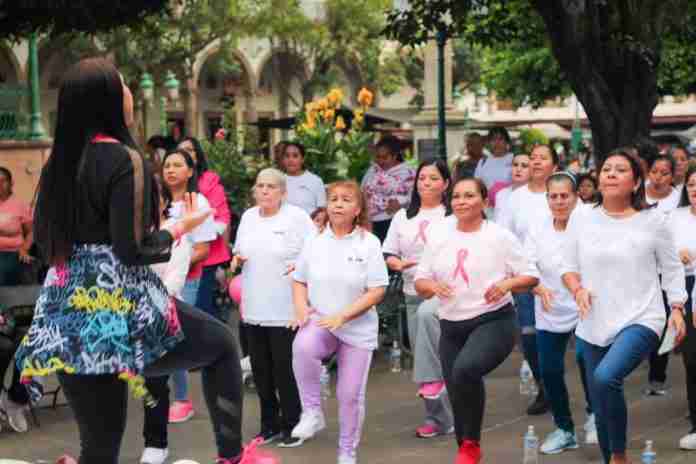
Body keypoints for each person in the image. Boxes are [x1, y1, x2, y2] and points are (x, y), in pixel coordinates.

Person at [14, 57, 249, 464]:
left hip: (67, 312)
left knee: (99, 448)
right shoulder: (126, 158)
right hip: (123, 308)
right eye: (122, 84)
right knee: (223, 346)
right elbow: (132, 250)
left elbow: (44, 245)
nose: (128, 91)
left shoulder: (58, 162)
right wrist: (181, 227)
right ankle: (233, 458)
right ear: (107, 98)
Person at [560, 148, 687, 464]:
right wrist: (577, 289)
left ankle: (618, 457)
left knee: (605, 378)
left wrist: (677, 308)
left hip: (642, 317)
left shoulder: (653, 220)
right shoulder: (582, 216)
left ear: (635, 182)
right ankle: (612, 458)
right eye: (606, 169)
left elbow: (671, 268)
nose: (611, 174)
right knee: (602, 399)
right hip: (594, 321)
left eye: (620, 170)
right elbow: (567, 266)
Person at [415, 176, 538, 464]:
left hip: (494, 321)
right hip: (451, 324)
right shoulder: (439, 235)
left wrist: (507, 285)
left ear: (484, 202)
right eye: (456, 196)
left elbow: (530, 275)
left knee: (465, 370)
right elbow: (421, 279)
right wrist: (433, 287)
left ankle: (470, 445)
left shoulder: (499, 236)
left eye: (469, 196)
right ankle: (467, 447)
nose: (461, 201)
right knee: (457, 384)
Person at [290, 180, 388, 464]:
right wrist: (300, 309)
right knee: (302, 347)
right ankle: (312, 412)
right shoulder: (315, 241)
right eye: (333, 199)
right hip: (322, 321)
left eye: (346, 199)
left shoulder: (368, 243)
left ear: (357, 209)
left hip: (356, 329)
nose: (338, 204)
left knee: (349, 395)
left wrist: (344, 316)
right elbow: (299, 280)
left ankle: (347, 451)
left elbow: (377, 290)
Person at [233, 168, 316, 447]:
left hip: (286, 309)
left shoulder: (297, 218)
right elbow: (239, 252)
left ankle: (292, 424)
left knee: (286, 371)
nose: (265, 191)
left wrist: (301, 269)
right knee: (261, 372)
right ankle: (268, 425)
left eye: (271, 186)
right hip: (254, 307)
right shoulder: (248, 218)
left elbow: (315, 253)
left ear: (283, 192)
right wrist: (236, 261)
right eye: (260, 186)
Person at [525, 172, 596, 454]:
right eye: (553, 196)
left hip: (585, 303)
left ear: (576, 197)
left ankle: (595, 415)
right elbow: (527, 265)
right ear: (547, 199)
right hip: (549, 306)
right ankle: (564, 429)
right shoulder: (537, 227)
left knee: (584, 358)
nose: (559, 201)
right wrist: (538, 287)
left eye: (564, 195)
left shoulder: (590, 221)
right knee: (549, 369)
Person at [382, 159, 454, 439]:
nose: (426, 183)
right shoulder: (403, 216)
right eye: (422, 178)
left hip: (445, 297)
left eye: (433, 178)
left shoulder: (452, 215)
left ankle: (458, 412)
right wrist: (396, 264)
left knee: (446, 356)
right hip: (412, 295)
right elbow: (389, 252)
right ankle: (437, 419)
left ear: (445, 183)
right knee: (425, 356)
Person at [501, 144, 560, 415]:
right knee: (529, 336)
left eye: (542, 158)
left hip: (560, 276)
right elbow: (504, 236)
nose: (536, 162)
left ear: (555, 165)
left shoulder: (562, 193)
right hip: (525, 277)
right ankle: (543, 388)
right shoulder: (515, 198)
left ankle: (558, 387)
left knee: (557, 335)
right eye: (532, 157)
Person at [160, 149, 218, 424]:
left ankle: (182, 399)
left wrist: (174, 262)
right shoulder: (156, 202)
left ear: (190, 171)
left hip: (187, 280)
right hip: (155, 280)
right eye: (167, 165)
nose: (170, 170)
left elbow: (204, 249)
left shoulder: (197, 202)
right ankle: (160, 393)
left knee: (175, 337)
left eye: (177, 165)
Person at [141, 197, 194, 464]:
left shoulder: (177, 234)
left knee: (155, 380)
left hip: (160, 315)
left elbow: (173, 281)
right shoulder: (124, 229)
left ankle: (155, 444)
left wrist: (144, 300)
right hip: (119, 313)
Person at [178, 137, 232, 322]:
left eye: (190, 150)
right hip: (175, 258)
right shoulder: (170, 181)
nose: (186, 153)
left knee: (200, 311)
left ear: (198, 155)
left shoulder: (210, 182)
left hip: (205, 256)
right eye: (181, 150)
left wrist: (198, 231)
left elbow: (222, 219)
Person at [670, 164, 696, 450]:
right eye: (691, 185)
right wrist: (678, 254)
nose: (695, 190)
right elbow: (665, 254)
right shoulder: (676, 218)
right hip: (685, 291)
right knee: (692, 358)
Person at [361, 136, 416, 242]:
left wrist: (400, 201)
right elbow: (362, 188)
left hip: (393, 220)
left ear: (395, 156)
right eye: (377, 157)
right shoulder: (372, 170)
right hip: (370, 221)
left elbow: (414, 196)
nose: (380, 161)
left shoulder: (408, 172)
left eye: (384, 157)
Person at [281, 142, 327, 215]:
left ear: (302, 159)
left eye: (295, 156)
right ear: (283, 159)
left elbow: (322, 209)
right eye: (287, 156)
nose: (290, 160)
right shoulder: (278, 181)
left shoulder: (315, 181)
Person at [493, 153, 530, 224]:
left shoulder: (535, 195)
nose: (518, 169)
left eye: (524, 166)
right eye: (515, 165)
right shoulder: (501, 194)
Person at [474, 127, 513, 191]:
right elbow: (477, 185)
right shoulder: (482, 162)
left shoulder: (514, 160)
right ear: (489, 143)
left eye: (500, 139)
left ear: (507, 142)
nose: (497, 142)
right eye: (493, 139)